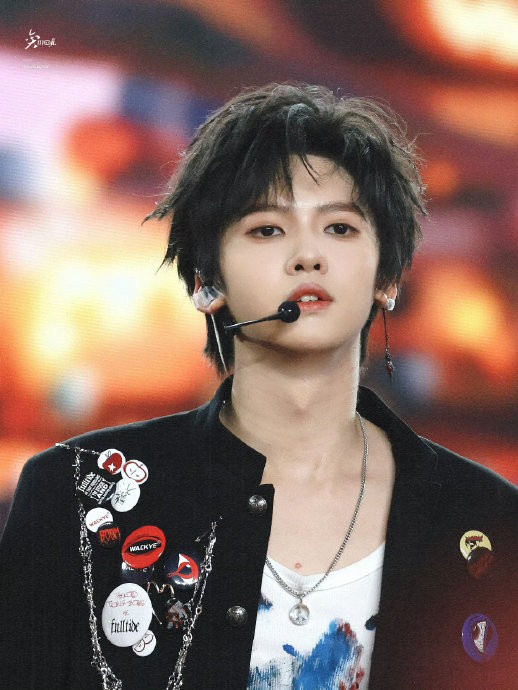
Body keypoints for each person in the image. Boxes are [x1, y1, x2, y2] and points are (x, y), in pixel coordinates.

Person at [0, 83, 517, 690]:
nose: (308, 256)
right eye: (268, 229)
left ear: (387, 278)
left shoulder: (489, 519)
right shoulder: (73, 496)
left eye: (340, 228)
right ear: (206, 281)